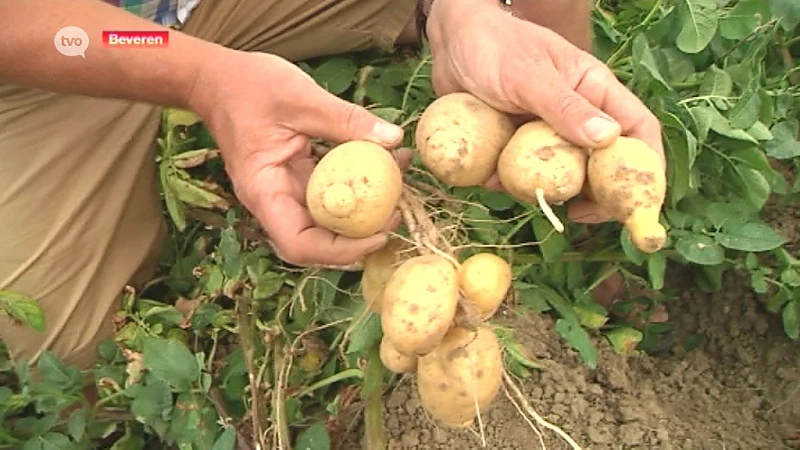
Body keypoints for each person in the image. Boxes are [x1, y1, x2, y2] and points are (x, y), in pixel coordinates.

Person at [0, 0, 665, 375]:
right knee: (66, 352)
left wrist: (464, 7)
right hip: (60, 39)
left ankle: (579, 213)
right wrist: (202, 77)